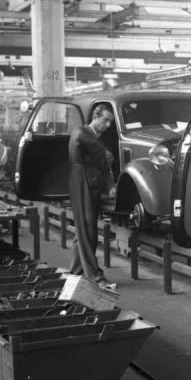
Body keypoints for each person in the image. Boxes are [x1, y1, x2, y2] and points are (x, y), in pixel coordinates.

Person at [69, 106, 116, 290]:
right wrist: (104, 153)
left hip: (92, 185)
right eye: (105, 120)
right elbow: (103, 156)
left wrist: (110, 186)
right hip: (81, 184)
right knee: (87, 230)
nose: (108, 125)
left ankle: (76, 271)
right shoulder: (81, 133)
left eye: (110, 121)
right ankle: (94, 275)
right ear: (95, 117)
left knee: (84, 229)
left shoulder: (96, 139)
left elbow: (105, 165)